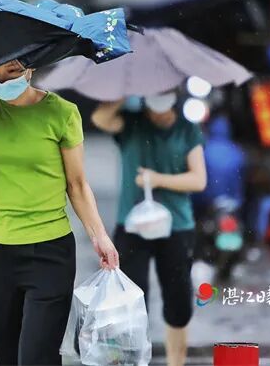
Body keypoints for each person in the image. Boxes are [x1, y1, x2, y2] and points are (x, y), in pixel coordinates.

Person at [0, 59, 119, 366]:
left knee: (36, 358)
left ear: (30, 69)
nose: (2, 81)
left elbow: (77, 185)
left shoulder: (62, 112)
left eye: (13, 71)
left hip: (50, 253)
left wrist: (100, 236)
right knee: (9, 359)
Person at [92, 91, 206, 366]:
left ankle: (175, 362)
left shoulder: (187, 129)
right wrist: (124, 91)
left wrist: (158, 179)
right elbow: (100, 118)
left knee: (178, 304)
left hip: (176, 227)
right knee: (130, 301)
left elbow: (198, 180)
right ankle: (133, 360)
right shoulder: (131, 123)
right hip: (132, 227)